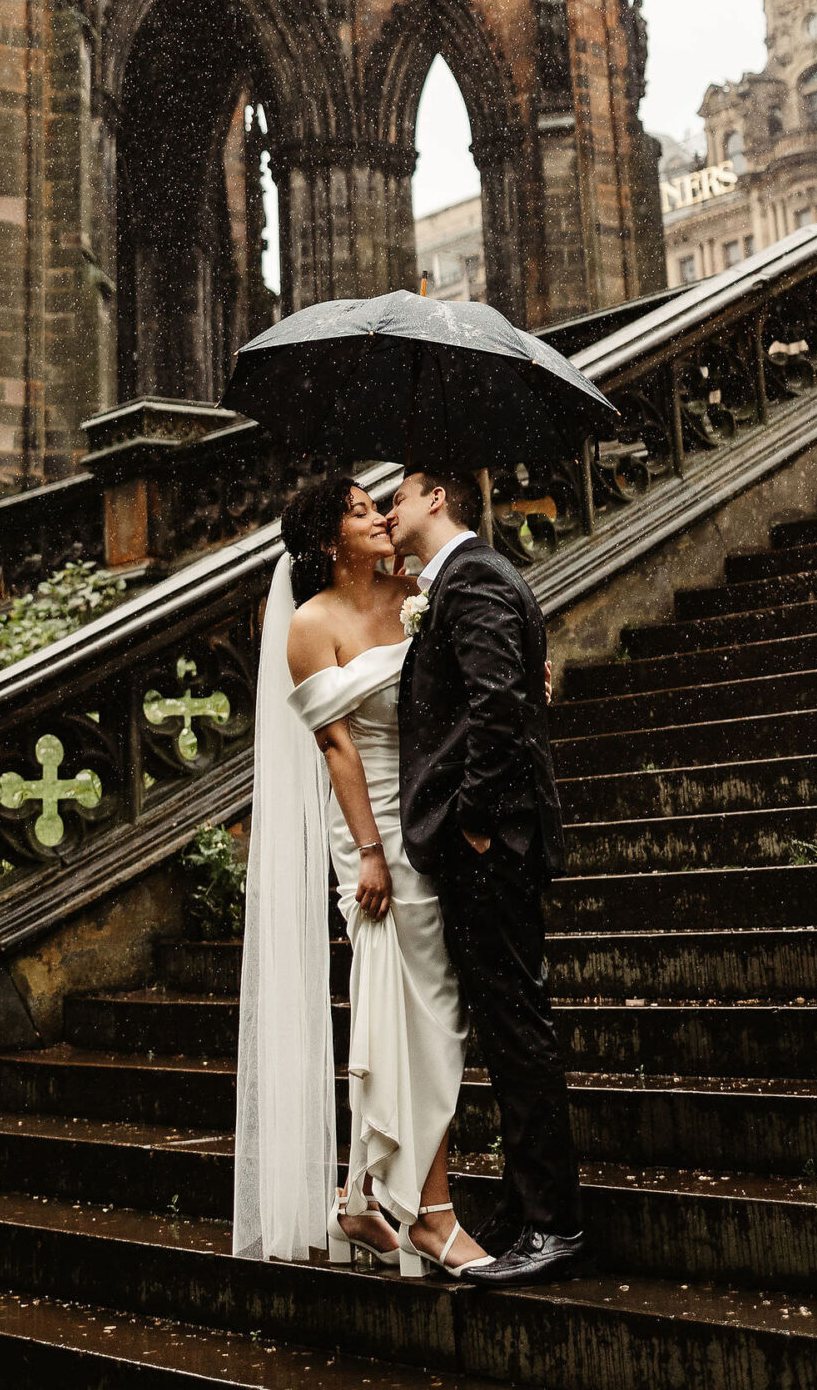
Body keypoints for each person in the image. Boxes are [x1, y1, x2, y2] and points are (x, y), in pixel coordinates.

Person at [232, 475, 488, 1278]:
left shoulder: (416, 591)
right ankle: (432, 1214)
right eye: (357, 511)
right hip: (373, 825)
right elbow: (335, 745)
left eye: (376, 504)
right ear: (325, 541)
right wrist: (370, 851)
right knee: (420, 1013)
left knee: (408, 1007)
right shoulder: (311, 624)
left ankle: (357, 1200)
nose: (378, 516)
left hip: (431, 809)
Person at [388, 460, 587, 1289]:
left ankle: (554, 1224)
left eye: (397, 495)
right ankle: (523, 1207)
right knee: (506, 1031)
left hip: (490, 844)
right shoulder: (468, 579)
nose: (390, 509)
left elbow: (500, 706)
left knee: (516, 1030)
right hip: (489, 839)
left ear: (436, 497)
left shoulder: (470, 578)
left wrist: (469, 820)